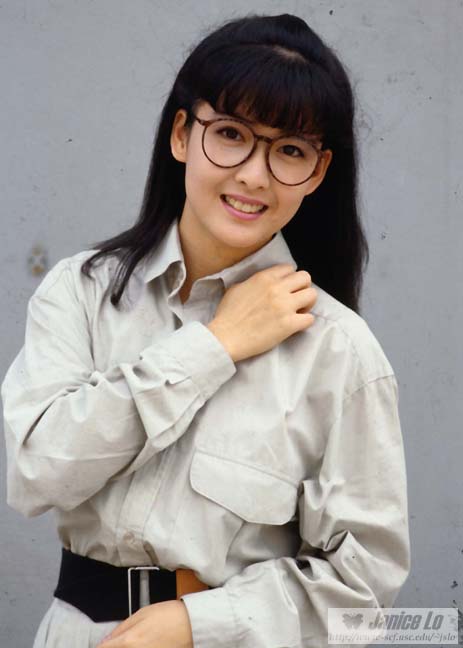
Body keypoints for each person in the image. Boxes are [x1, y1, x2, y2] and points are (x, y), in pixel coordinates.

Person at [1, 12, 410, 648]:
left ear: (318, 171)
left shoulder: (339, 349)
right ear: (181, 135)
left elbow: (365, 590)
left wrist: (197, 624)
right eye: (231, 134)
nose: (253, 174)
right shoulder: (82, 292)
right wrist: (214, 346)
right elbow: (34, 474)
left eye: (289, 150)